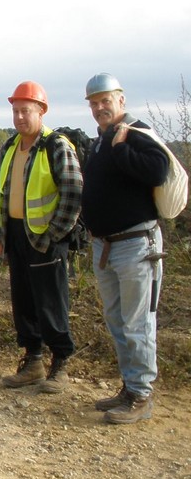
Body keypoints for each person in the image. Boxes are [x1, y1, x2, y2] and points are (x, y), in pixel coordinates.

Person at [81, 73, 169, 424]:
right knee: (118, 321)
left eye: (105, 100)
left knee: (137, 323)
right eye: (94, 102)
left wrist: (122, 149)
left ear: (121, 100)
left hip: (136, 245)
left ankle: (141, 395)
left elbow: (158, 171)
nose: (99, 107)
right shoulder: (102, 140)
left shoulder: (136, 133)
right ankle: (130, 387)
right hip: (107, 246)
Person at [0, 82, 83, 393]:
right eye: (15, 111)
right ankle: (33, 362)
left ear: (41, 111)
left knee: (51, 303)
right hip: (17, 236)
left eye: (25, 111)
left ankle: (60, 364)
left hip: (46, 239)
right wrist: (0, 234)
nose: (19, 117)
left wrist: (54, 235)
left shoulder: (56, 146)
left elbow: (73, 193)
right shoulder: (10, 147)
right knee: (24, 302)